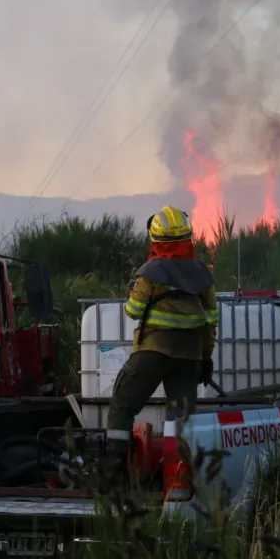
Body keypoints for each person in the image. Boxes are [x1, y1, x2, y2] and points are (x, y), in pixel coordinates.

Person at [104, 205, 218, 485]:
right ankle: (179, 478)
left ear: (156, 240)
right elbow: (211, 320)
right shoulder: (202, 274)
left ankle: (114, 472)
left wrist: (135, 291)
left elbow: (133, 310)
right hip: (190, 357)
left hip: (153, 351)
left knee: (122, 405)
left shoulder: (151, 271)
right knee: (180, 419)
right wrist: (205, 358)